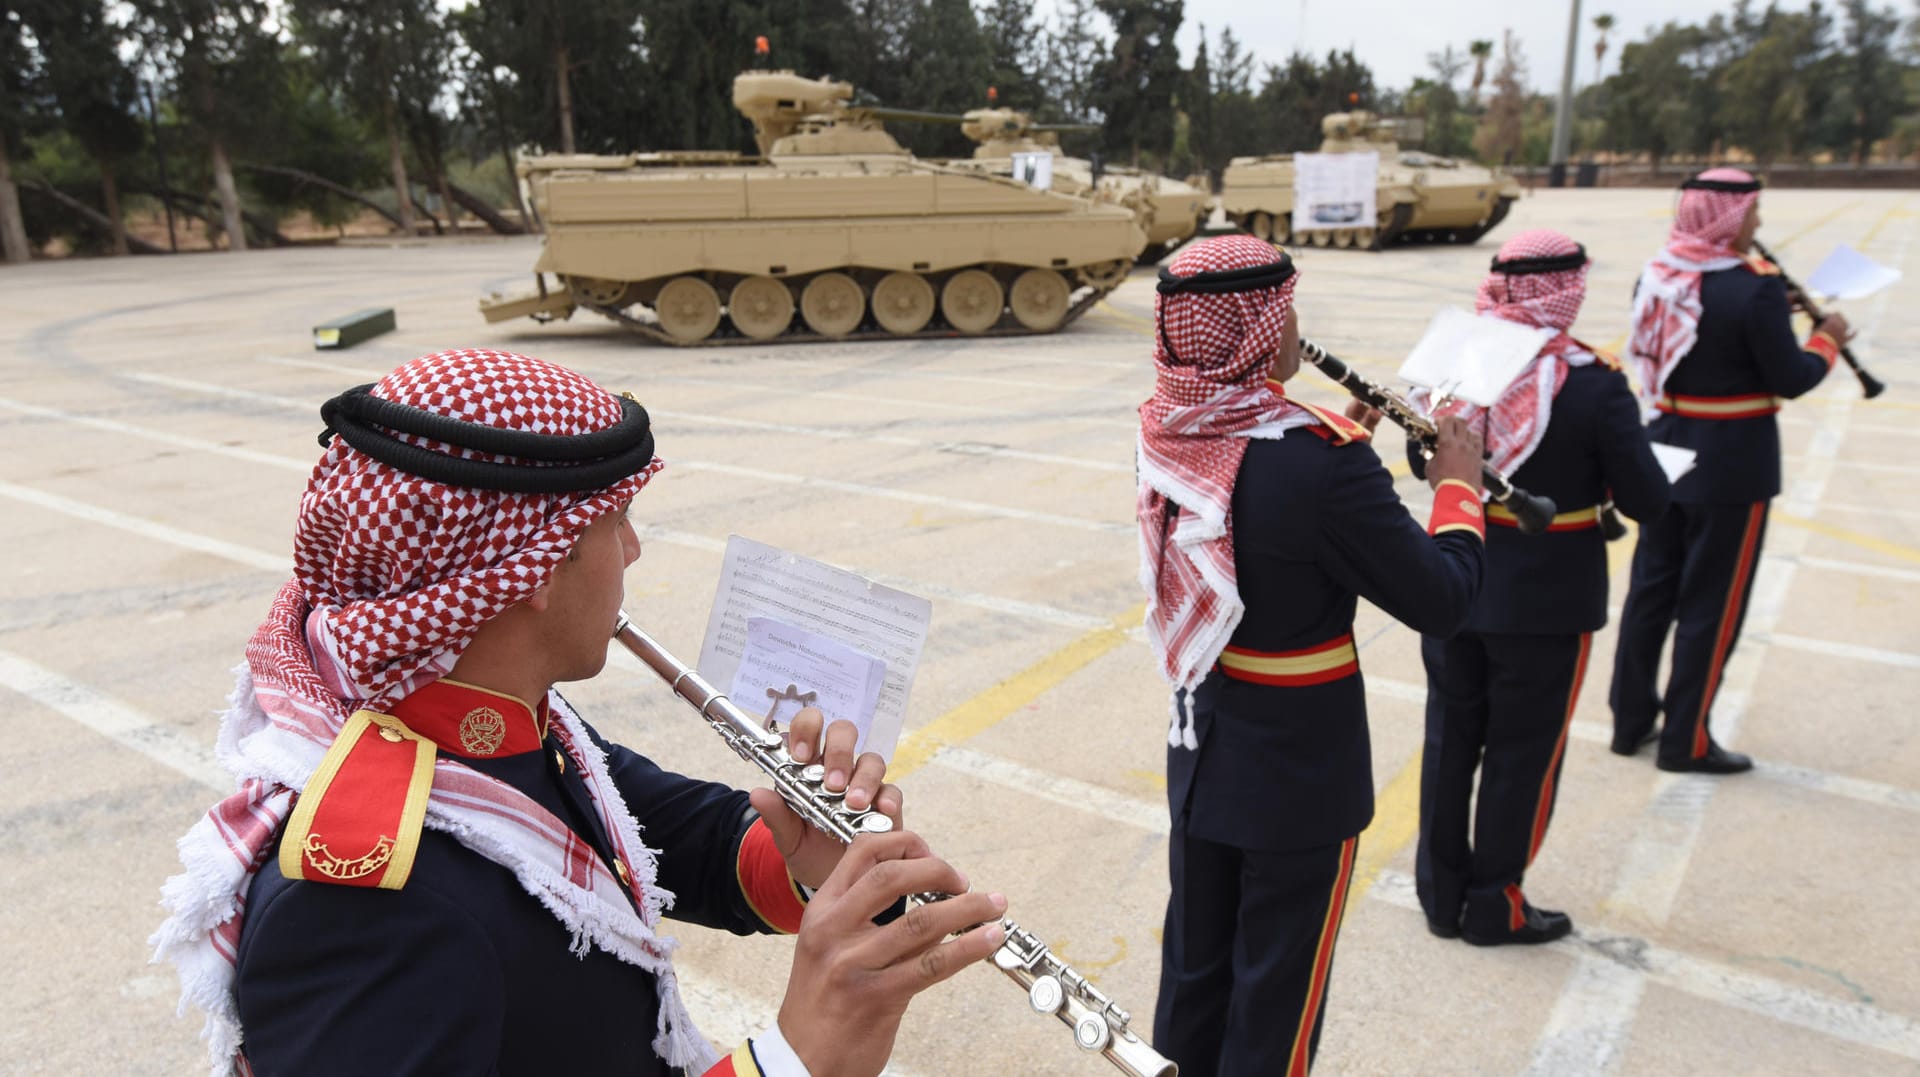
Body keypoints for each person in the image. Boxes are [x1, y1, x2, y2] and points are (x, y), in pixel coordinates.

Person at [151, 348, 1006, 1077]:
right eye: (617, 520)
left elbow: (668, 832)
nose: (633, 548)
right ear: (531, 569)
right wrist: (792, 1055)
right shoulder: (367, 904)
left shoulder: (479, 719)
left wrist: (805, 853)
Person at [1139, 235, 1488, 1077]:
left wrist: (1342, 444)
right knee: (1275, 1003)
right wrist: (1458, 485)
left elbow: (1257, 502)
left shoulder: (1173, 424)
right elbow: (1443, 599)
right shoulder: (1323, 467)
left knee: (1194, 977)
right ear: (1259, 325)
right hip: (1297, 777)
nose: (1296, 324)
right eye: (1285, 307)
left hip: (1206, 751)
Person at [1409, 230, 1672, 947]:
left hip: (1457, 573)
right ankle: (1496, 902)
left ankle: (1440, 895)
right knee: (1524, 751)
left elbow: (1417, 456)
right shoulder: (1591, 382)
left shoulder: (1459, 361)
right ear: (1567, 290)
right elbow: (1648, 500)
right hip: (1549, 594)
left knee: (1449, 737)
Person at [1609, 169, 1853, 774]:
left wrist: (1779, 316)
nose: (1758, 224)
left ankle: (1630, 721)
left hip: (1663, 450)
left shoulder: (1659, 274)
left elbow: (1701, 337)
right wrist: (1827, 337)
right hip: (1732, 463)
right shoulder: (1755, 289)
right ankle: (1685, 740)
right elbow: (1792, 378)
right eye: (1751, 213)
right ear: (1726, 217)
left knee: (1650, 591)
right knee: (1709, 607)